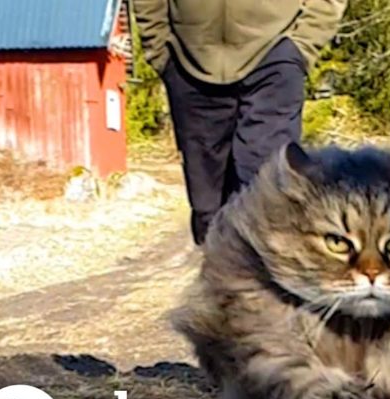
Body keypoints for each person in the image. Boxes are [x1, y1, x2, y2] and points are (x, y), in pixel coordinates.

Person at [134, 1, 348, 245]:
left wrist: (303, 44)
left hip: (275, 51)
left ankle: (266, 278)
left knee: (266, 186)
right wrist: (159, 49)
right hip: (189, 58)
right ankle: (218, 276)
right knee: (207, 208)